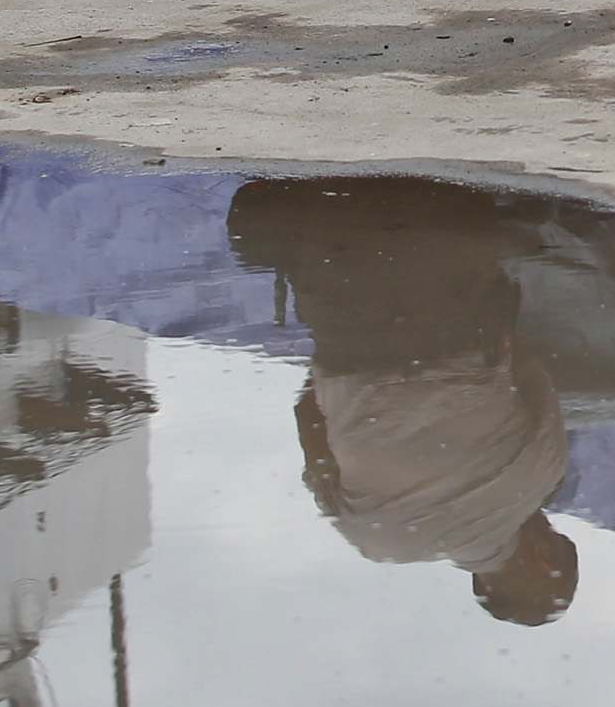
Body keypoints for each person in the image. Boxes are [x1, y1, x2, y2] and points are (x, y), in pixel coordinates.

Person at [229, 177, 585, 627]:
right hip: (332, 283)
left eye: (553, 535)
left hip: (454, 251)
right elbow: (308, 415)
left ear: (539, 553)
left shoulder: (538, 477)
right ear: (481, 583)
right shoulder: (374, 540)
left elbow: (525, 355)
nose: (547, 522)